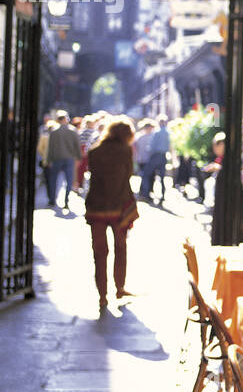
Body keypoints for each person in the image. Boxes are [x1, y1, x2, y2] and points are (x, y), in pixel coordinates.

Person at [84, 116, 139, 314]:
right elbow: (129, 174)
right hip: (119, 205)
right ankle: (120, 287)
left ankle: (102, 296)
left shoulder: (95, 151)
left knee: (99, 252)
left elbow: (93, 174)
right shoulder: (125, 150)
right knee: (120, 248)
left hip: (96, 205)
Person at [48, 111, 81, 211]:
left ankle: (52, 199)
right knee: (69, 180)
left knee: (54, 180)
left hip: (57, 158)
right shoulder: (73, 131)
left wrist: (49, 159)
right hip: (69, 158)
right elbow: (77, 146)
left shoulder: (54, 132)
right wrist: (78, 157)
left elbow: (51, 147)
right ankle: (66, 200)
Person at [143, 115, 170, 204]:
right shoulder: (168, 132)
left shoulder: (157, 132)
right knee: (162, 177)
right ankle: (162, 195)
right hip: (164, 156)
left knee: (147, 174)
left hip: (156, 155)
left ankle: (146, 194)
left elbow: (151, 147)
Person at [37, 117, 55, 206]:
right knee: (53, 180)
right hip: (55, 162)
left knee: (48, 180)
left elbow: (40, 148)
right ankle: (53, 197)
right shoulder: (56, 138)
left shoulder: (44, 137)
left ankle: (51, 198)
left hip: (46, 161)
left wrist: (44, 156)